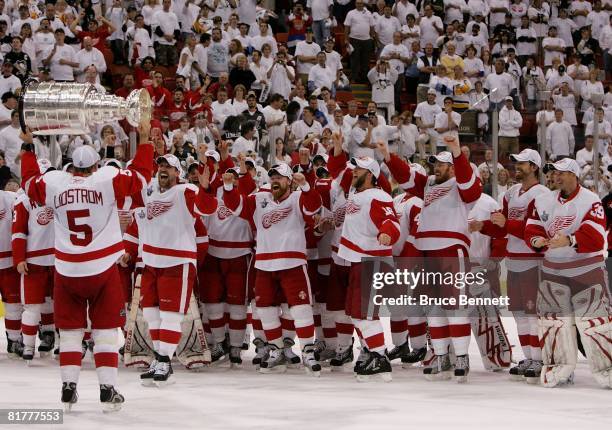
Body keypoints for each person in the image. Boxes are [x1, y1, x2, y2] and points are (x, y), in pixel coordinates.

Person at [19, 122, 154, 412]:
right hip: (102, 267)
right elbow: (141, 179)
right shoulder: (105, 177)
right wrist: (144, 142)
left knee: (69, 332)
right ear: (95, 166)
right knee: (104, 331)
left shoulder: (55, 182)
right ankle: (107, 388)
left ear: (70, 168)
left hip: (67, 269)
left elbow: (29, 183)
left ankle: (69, 387)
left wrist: (28, 147)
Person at [382, 134, 482, 382]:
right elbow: (406, 176)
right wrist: (388, 156)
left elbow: (472, 188)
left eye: (441, 164)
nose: (436, 168)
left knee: (455, 306)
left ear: (452, 167)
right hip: (427, 251)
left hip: (451, 249)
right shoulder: (427, 184)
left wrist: (457, 152)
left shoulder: (462, 184)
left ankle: (461, 356)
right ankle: (441, 356)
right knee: (434, 307)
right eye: (434, 164)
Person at [220, 162, 323, 374]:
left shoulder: (297, 198)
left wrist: (305, 187)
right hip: (265, 263)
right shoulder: (260, 200)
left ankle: (307, 350)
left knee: (301, 308)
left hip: (292, 262)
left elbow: (313, 207)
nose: (275, 181)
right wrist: (229, 188)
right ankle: (275, 348)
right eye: (273, 177)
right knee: (265, 309)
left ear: (289, 181)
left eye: (280, 178)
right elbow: (235, 206)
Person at [125, 152, 217, 386]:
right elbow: (136, 216)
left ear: (178, 173)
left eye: (169, 167)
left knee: (170, 316)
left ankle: (164, 360)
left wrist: (206, 189)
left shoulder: (185, 192)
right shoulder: (148, 192)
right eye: (160, 166)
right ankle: (159, 358)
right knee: (152, 315)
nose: (163, 169)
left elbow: (207, 209)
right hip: (151, 262)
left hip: (177, 262)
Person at [525, 158, 612, 388]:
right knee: (553, 323)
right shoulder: (542, 201)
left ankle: (608, 368)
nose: (555, 177)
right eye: (553, 173)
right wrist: (536, 239)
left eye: (561, 173)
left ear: (574, 175)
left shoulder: (590, 200)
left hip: (587, 270)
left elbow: (595, 236)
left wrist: (571, 239)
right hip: (552, 270)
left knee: (596, 323)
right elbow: (531, 226)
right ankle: (558, 368)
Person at [477, 148, 549, 380]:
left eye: (522, 164)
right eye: (516, 163)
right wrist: (483, 226)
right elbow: (501, 225)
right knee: (518, 313)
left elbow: (535, 230)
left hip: (533, 260)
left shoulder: (542, 194)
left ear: (535, 167)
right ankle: (528, 356)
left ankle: (538, 359)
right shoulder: (511, 193)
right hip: (514, 260)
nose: (517, 167)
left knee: (532, 313)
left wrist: (506, 223)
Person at [11, 158, 56, 362]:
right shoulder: (23, 200)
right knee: (32, 306)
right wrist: (19, 258)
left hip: (58, 258)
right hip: (34, 259)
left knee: (56, 303)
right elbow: (18, 232)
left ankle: (50, 336)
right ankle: (28, 345)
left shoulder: (58, 196)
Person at [344, 0, 375, 84]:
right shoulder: (351, 13)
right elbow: (347, 27)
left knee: (366, 60)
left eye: (361, 3)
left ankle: (364, 78)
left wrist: (372, 38)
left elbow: (372, 26)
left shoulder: (368, 13)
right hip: (354, 39)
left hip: (367, 40)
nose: (359, 4)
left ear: (363, 4)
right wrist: (346, 39)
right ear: (355, 4)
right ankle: (354, 78)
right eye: (357, 3)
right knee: (354, 60)